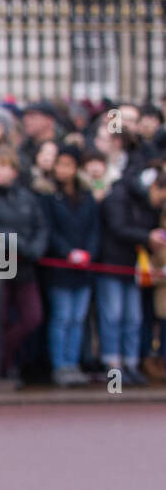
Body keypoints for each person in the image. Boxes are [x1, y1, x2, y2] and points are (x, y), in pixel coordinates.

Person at [0, 146, 49, 386]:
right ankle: (0, 366)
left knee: (32, 317)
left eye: (1, 166)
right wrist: (17, 243)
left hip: (25, 267)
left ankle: (1, 355)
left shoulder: (26, 197)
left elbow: (40, 226)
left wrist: (35, 248)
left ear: (14, 171)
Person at [98, 162, 166, 386]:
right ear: (154, 186)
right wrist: (147, 237)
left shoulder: (145, 204)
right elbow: (117, 227)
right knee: (113, 317)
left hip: (133, 267)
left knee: (133, 319)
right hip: (111, 264)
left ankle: (131, 365)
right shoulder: (119, 196)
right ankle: (113, 370)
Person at [41, 146, 100, 386]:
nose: (63, 170)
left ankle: (73, 363)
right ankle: (60, 365)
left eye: (68, 165)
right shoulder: (48, 195)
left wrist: (89, 253)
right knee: (62, 317)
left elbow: (94, 228)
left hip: (84, 268)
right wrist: (67, 252)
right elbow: (49, 229)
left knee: (78, 318)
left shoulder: (86, 197)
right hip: (60, 267)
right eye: (60, 164)